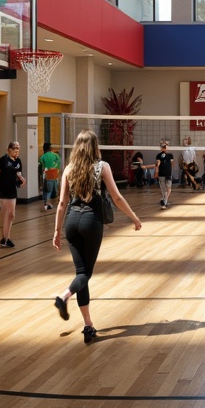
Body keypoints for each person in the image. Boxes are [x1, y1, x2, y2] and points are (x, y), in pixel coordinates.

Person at [52, 129, 142, 344]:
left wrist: (56, 231)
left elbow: (62, 203)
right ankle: (63, 297)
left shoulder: (69, 169)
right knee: (85, 273)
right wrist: (135, 218)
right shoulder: (102, 166)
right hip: (92, 222)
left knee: (81, 273)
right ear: (94, 147)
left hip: (72, 222)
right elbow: (117, 197)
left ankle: (88, 325)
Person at [0, 141, 25, 246]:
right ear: (9, 150)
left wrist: (22, 180)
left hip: (12, 191)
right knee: (5, 216)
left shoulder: (18, 162)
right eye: (14, 150)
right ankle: (5, 238)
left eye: (18, 150)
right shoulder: (3, 160)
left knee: (11, 215)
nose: (16, 152)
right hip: (4, 191)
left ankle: (6, 238)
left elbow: (18, 174)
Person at [39, 141, 61, 210]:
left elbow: (41, 168)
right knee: (54, 191)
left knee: (46, 190)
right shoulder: (56, 156)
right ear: (50, 148)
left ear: (43, 149)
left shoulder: (42, 157)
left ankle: (46, 204)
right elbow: (59, 164)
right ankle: (54, 204)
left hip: (46, 176)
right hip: (55, 175)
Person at [154, 140, 174, 210]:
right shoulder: (159, 155)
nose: (164, 148)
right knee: (164, 189)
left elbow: (172, 164)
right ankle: (164, 202)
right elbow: (157, 164)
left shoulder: (170, 155)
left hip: (168, 173)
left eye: (165, 147)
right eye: (163, 147)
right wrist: (156, 171)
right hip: (162, 174)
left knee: (168, 188)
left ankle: (164, 200)